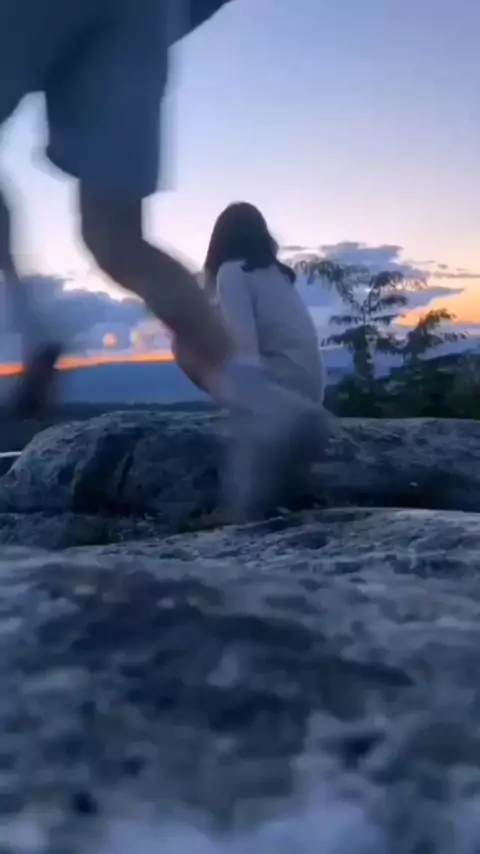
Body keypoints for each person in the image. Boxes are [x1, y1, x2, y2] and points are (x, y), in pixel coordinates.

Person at [0, 0, 301, 523]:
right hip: (147, 13)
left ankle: (32, 320)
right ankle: (259, 403)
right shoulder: (269, 275)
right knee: (115, 237)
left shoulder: (234, 274)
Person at [174, 202, 328, 517]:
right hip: (312, 388)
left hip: (282, 394)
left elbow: (246, 348)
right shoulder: (276, 274)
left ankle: (265, 408)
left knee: (182, 344)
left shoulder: (231, 273)